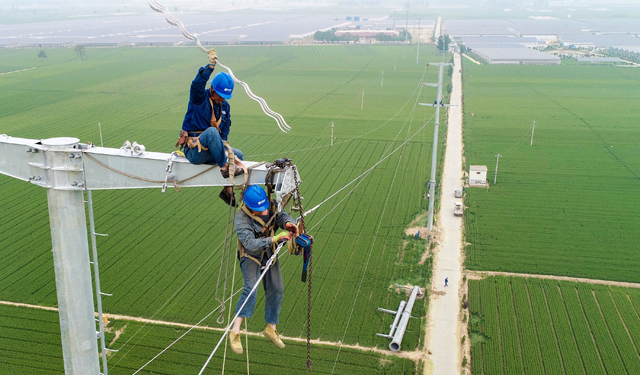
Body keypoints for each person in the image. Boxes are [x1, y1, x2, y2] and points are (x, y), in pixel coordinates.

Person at [229, 185, 299, 354]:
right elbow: (250, 244)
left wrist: (288, 223)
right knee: (250, 289)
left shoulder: (269, 204)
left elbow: (280, 215)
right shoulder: (241, 219)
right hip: (251, 255)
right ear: (251, 210)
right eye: (260, 210)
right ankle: (235, 331)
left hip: (268, 253)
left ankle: (271, 328)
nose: (264, 211)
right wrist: (274, 238)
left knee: (276, 288)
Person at [177, 49, 246, 206]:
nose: (222, 98)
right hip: (195, 150)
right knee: (212, 132)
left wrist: (222, 144)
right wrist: (210, 67)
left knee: (238, 155)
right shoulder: (199, 98)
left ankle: (228, 190)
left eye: (224, 96)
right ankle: (224, 167)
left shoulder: (224, 106)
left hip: (210, 150)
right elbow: (196, 85)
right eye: (220, 95)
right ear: (213, 89)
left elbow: (226, 125)